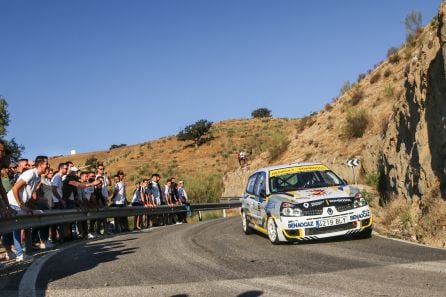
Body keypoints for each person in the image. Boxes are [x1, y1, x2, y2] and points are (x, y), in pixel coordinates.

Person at [7, 155, 49, 262]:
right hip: (13, 202)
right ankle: (19, 254)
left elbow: (30, 194)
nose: (48, 166)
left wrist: (28, 207)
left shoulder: (38, 177)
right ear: (40, 165)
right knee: (15, 228)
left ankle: (19, 254)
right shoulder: (30, 173)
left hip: (19, 204)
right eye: (46, 164)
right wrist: (21, 205)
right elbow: (15, 188)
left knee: (15, 228)